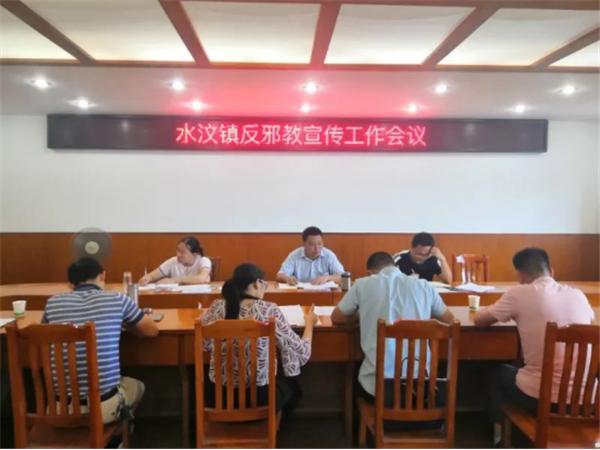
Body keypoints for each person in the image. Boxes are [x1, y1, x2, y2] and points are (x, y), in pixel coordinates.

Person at [473, 248, 595, 446]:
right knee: (520, 365)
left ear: (520, 276)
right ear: (551, 271)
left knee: (497, 374)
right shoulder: (578, 294)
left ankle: (501, 440)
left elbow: (480, 320)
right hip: (587, 400)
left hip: (544, 399)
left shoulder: (519, 293)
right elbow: (591, 322)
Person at [331, 252, 454, 429]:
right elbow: (450, 320)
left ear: (370, 272)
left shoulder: (363, 285)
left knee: (355, 374)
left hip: (380, 392)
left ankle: (373, 429)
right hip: (422, 389)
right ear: (395, 266)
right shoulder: (424, 286)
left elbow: (337, 318)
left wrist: (363, 315)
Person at [42, 257, 159, 424]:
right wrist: (127, 324)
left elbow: (44, 337)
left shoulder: (52, 303)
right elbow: (152, 330)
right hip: (102, 410)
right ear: (102, 275)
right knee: (138, 386)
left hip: (59, 410)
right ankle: (119, 434)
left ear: (70, 284)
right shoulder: (117, 299)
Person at [201, 263, 318, 411]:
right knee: (294, 390)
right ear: (257, 283)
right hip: (259, 400)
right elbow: (301, 352)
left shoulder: (216, 307)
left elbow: (205, 345)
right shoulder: (269, 310)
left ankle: (230, 423)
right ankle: (265, 424)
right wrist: (309, 324)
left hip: (218, 398)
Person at [276, 226, 344, 285]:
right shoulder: (295, 255)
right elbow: (279, 276)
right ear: (304, 244)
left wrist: (327, 277)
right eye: (312, 245)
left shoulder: (329, 255)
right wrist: (287, 278)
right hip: (300, 292)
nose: (317, 248)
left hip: (323, 293)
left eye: (319, 244)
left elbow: (342, 276)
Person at [140, 236, 211, 285]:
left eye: (182, 252)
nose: (178, 255)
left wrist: (174, 280)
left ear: (194, 255)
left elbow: (201, 279)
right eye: (178, 250)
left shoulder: (204, 261)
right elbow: (152, 276)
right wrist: (146, 279)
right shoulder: (173, 261)